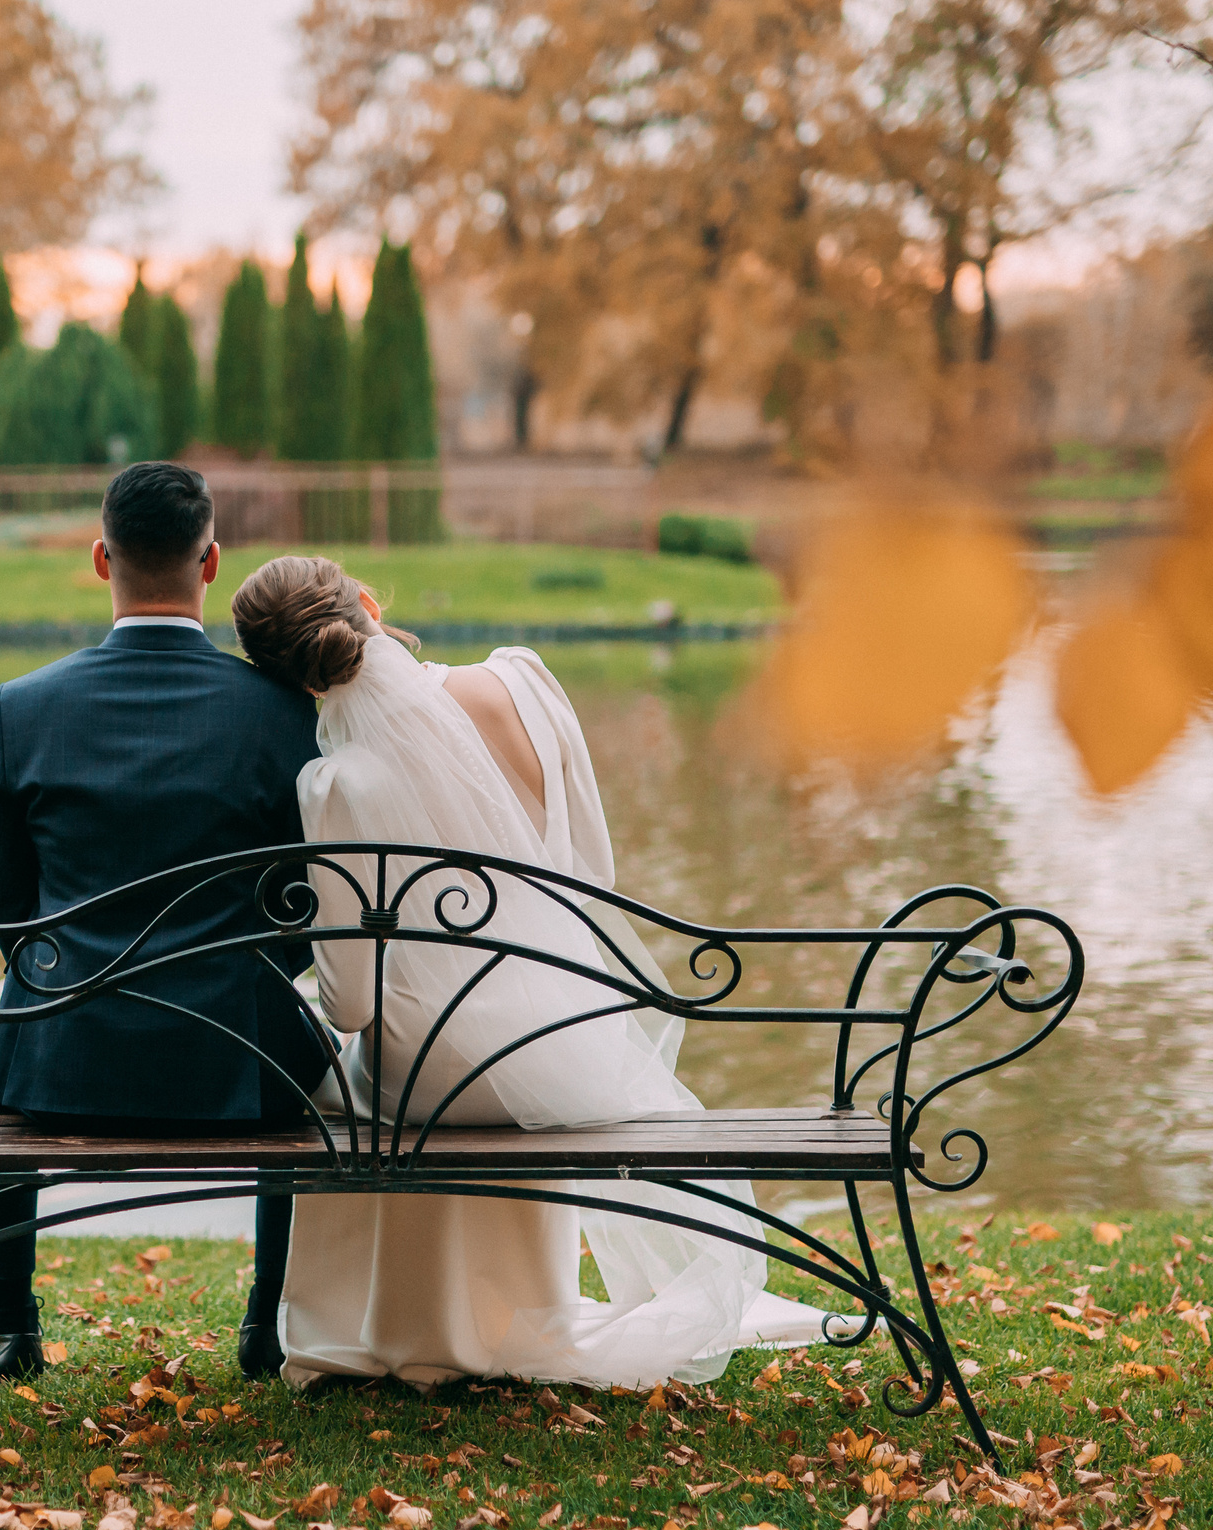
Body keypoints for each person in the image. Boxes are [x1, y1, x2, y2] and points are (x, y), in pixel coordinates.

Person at [229, 554, 837, 1389]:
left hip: (434, 1072)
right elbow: (591, 871)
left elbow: (355, 1006)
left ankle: (378, 1326)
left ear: (290, 683)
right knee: (393, 1071)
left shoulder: (335, 783)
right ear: (369, 603)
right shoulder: (521, 686)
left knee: (341, 1089)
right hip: (564, 1036)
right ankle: (511, 1310)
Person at [0, 463, 324, 1382]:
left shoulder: (24, 707)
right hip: (241, 1071)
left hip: (60, 1062)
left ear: (99, 559)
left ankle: (14, 1324)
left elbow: (9, 909)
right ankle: (265, 1327)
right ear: (210, 564)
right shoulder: (280, 711)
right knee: (303, 1059)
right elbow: (302, 912)